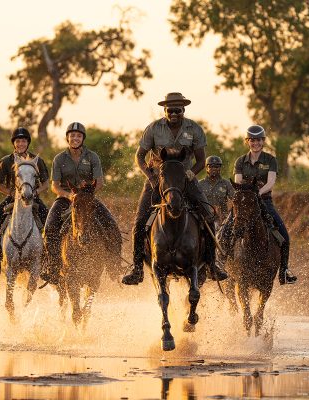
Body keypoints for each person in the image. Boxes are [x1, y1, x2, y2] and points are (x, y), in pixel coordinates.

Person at [122, 92, 228, 285]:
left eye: (177, 110)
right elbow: (139, 157)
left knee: (208, 215)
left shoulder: (194, 129)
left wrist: (192, 173)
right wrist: (151, 176)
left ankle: (212, 264)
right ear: (164, 110)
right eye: (170, 110)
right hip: (158, 180)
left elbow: (202, 160)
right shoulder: (153, 128)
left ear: (183, 110)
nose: (173, 113)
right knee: (139, 223)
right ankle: (137, 269)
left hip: (186, 178)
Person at [219, 125, 297, 285]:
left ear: (263, 141)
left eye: (259, 140)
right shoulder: (240, 161)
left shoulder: (270, 160)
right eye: (253, 140)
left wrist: (257, 193)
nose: (256, 143)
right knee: (224, 231)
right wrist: (246, 196)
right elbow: (238, 182)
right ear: (247, 141)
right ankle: (220, 264)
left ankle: (284, 271)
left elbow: (271, 182)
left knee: (284, 236)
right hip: (244, 203)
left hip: (264, 201)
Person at [41, 122, 112, 285]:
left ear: (83, 138)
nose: (75, 138)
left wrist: (88, 192)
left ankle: (113, 265)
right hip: (65, 199)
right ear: (67, 138)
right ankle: (53, 267)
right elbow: (54, 185)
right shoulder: (59, 158)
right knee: (49, 227)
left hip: (87, 198)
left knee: (111, 224)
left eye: (78, 136)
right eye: (72, 135)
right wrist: (68, 195)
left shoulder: (92, 157)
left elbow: (99, 181)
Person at [0, 127, 49, 275]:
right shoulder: (6, 161)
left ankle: (49, 260)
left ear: (28, 143)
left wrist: (35, 192)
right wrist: (12, 193)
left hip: (33, 197)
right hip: (12, 198)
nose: (21, 144)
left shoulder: (36, 160)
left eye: (24, 141)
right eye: (18, 141)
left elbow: (46, 183)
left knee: (49, 221)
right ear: (14, 143)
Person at [198, 155, 235, 226]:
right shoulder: (200, 184)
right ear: (206, 168)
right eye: (211, 166)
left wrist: (228, 215)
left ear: (220, 168)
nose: (214, 169)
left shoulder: (226, 184)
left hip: (223, 220)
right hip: (204, 219)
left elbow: (234, 200)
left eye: (217, 166)